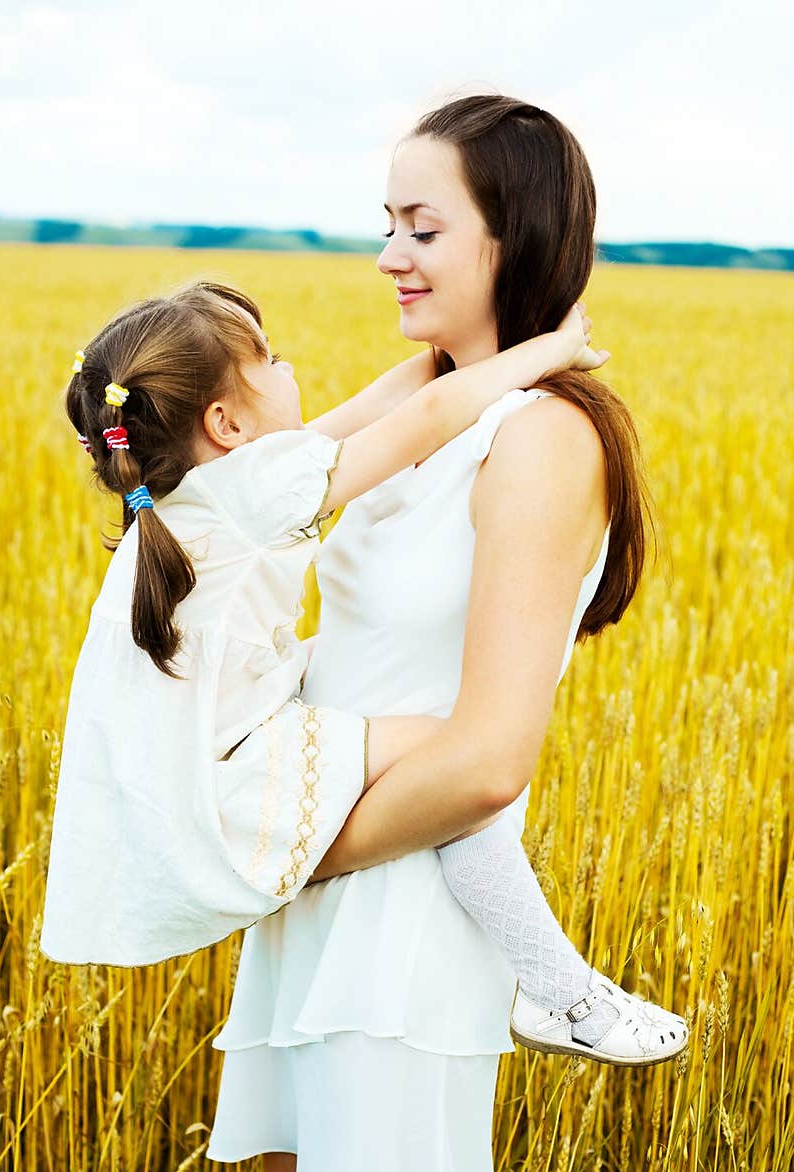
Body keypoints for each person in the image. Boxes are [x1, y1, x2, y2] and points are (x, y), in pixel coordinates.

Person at [204, 95, 686, 1172]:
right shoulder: (430, 400)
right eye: (387, 223)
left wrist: (288, 853)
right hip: (316, 877)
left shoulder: (537, 441)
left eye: (421, 227)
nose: (387, 256)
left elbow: (484, 762)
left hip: (407, 887)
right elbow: (270, 488)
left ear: (510, 239)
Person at [39, 280, 602, 975]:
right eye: (271, 360)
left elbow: (378, 407)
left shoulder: (200, 492)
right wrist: (555, 347)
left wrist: (448, 352)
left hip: (198, 769)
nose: (290, 369)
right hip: (236, 780)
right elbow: (422, 418)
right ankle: (549, 979)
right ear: (226, 423)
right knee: (449, 748)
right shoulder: (256, 487)